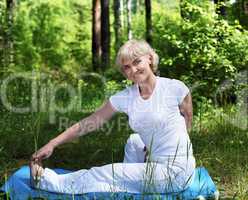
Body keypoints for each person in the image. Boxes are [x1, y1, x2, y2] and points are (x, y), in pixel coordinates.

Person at [30, 39, 196, 194]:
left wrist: (166, 150)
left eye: (137, 61)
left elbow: (187, 120)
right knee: (134, 141)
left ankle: (44, 181)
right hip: (156, 162)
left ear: (150, 59)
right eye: (126, 67)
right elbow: (89, 123)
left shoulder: (175, 88)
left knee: (103, 173)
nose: (133, 70)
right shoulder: (126, 97)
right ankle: (127, 183)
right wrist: (52, 143)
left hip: (176, 173)